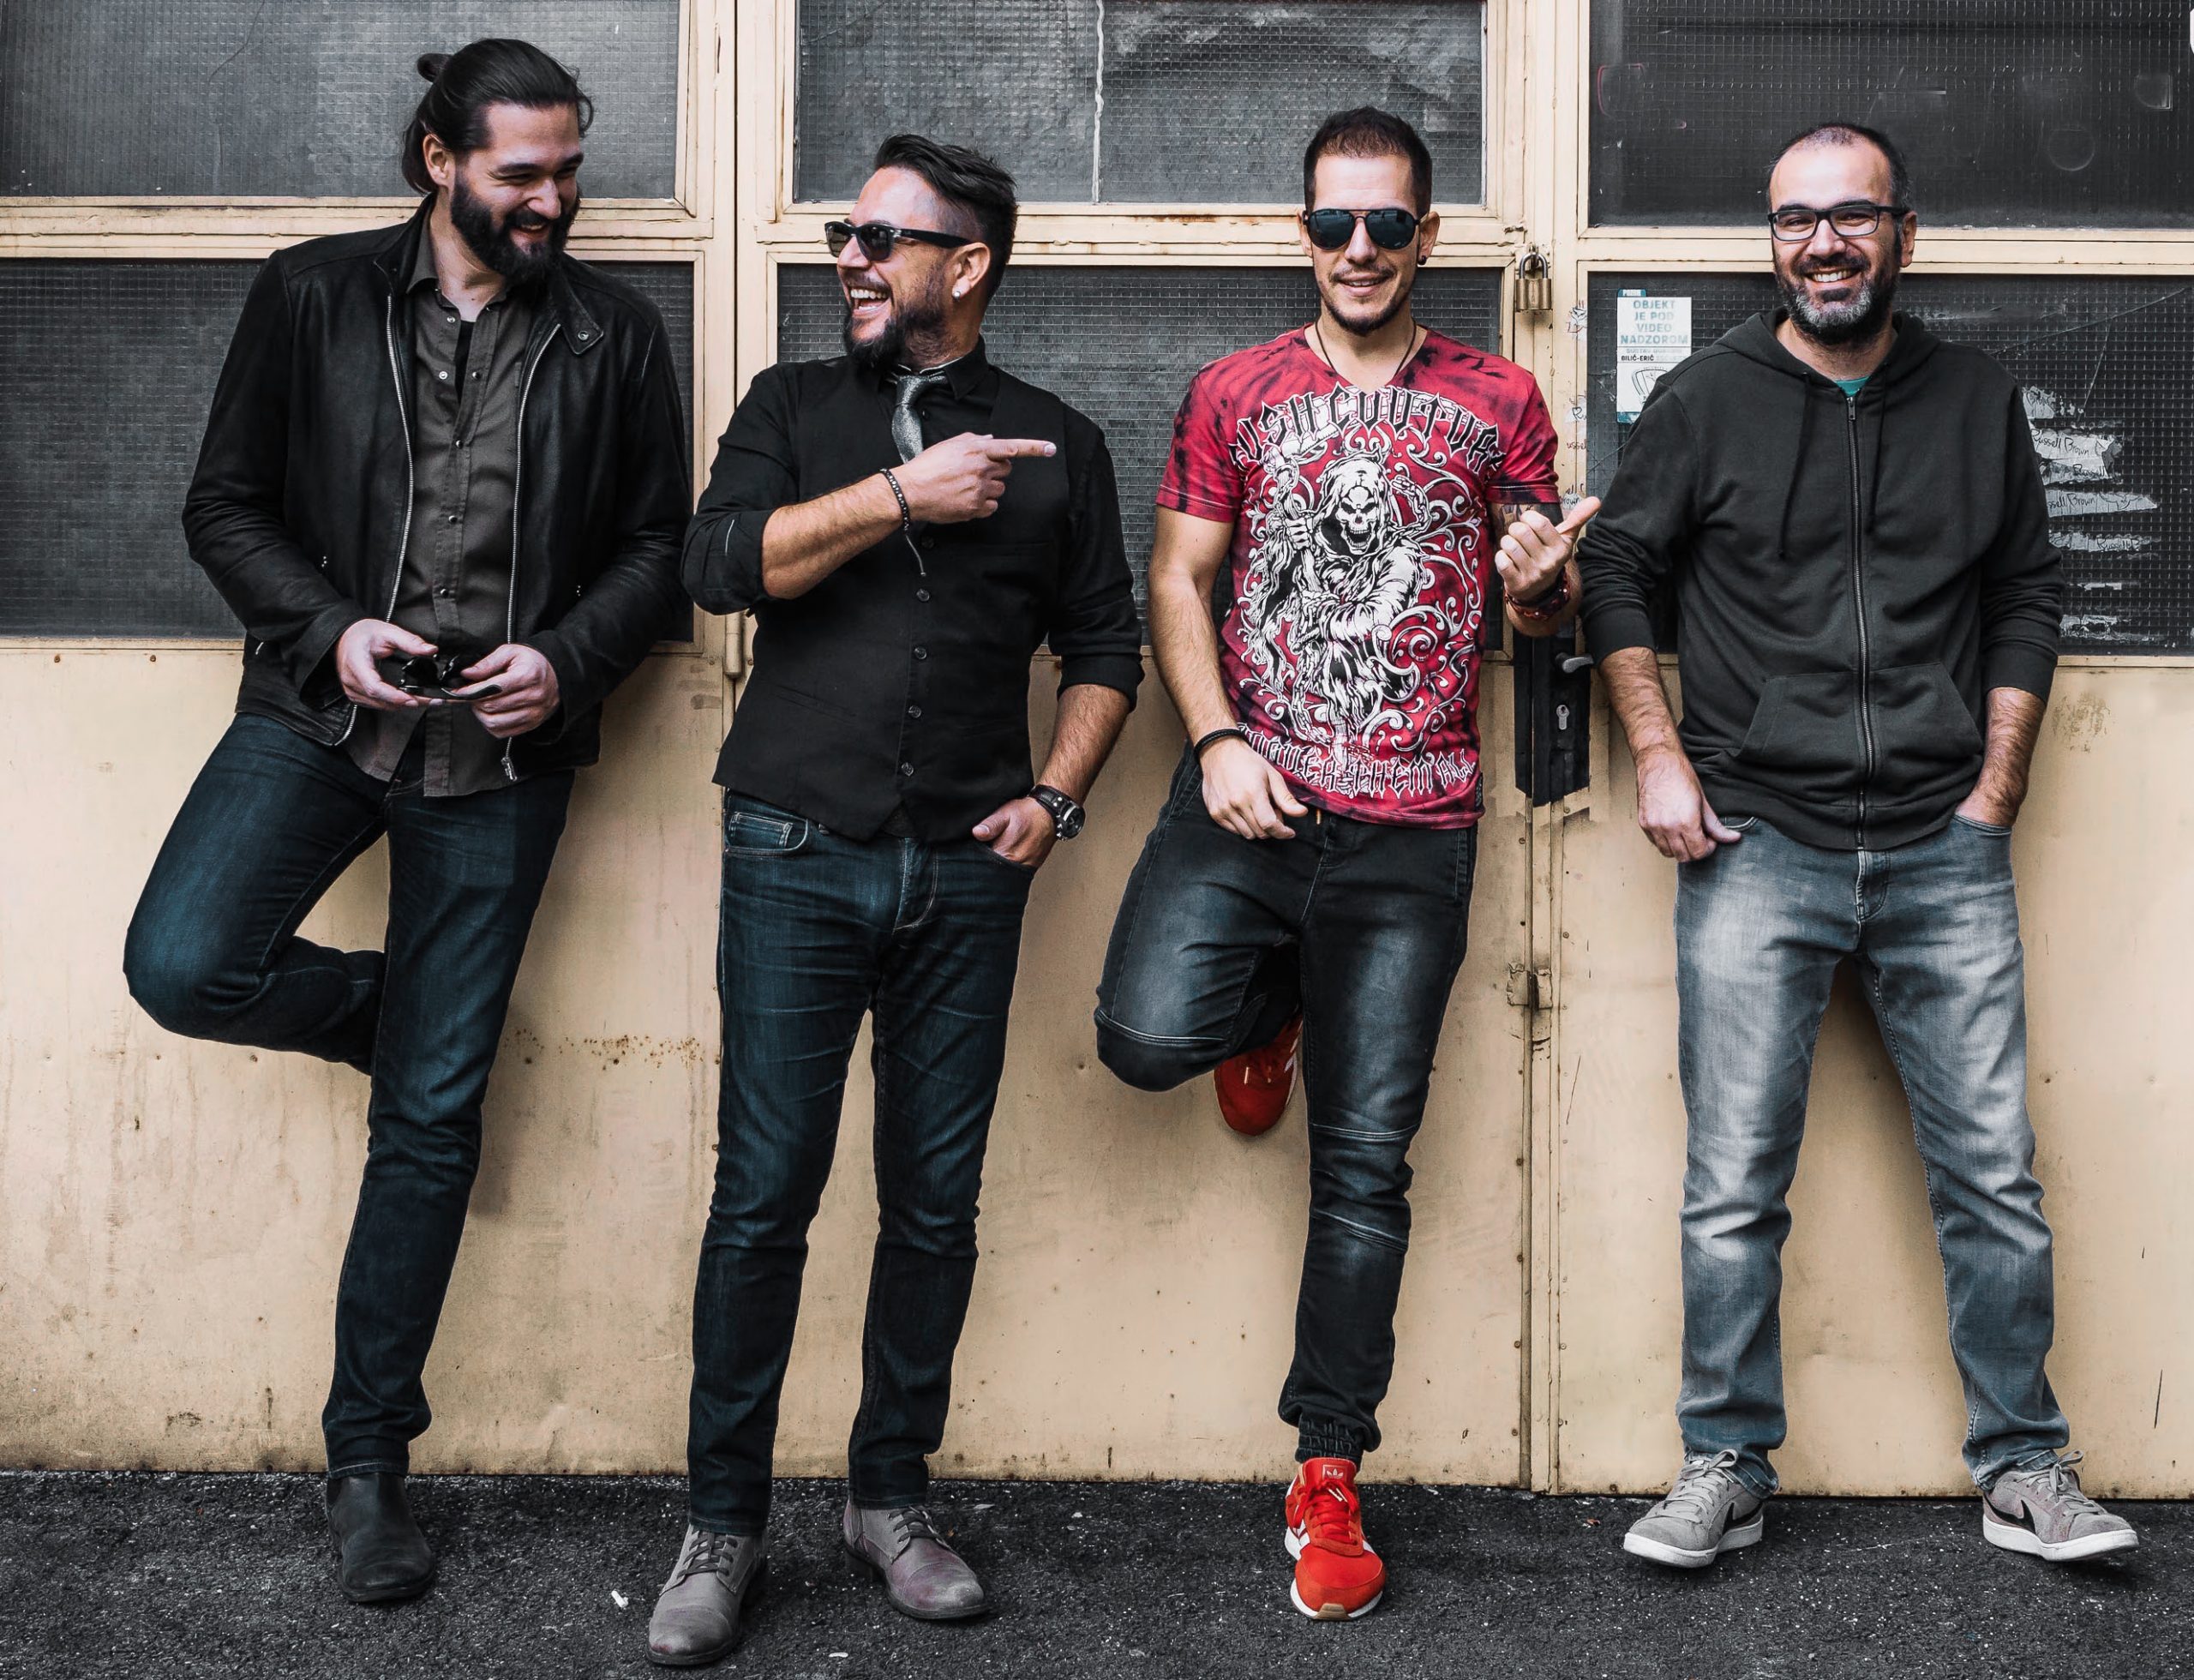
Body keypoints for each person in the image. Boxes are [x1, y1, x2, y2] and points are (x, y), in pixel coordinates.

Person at [123, 39, 691, 1603]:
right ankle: (402, 1020)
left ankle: (368, 1463)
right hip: (317, 723)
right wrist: (329, 630)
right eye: (523, 172)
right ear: (439, 160)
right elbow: (222, 506)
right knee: (183, 962)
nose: (555, 199)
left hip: (501, 763)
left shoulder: (616, 333)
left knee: (429, 1124)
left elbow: (659, 546)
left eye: (569, 171)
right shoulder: (312, 295)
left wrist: (566, 661)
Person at [1580, 121, 2137, 1569]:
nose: (1823, 243)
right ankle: (1724, 1462)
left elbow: (2025, 590)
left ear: (1903, 233)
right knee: (1732, 1187)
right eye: (1795, 220)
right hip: (1758, 842)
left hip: (1944, 848)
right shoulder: (1704, 400)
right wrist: (1658, 755)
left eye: (1852, 216)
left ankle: (2024, 1465)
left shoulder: (1974, 399)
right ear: (1772, 243)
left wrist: (1996, 785)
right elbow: (1618, 570)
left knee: (1994, 1176)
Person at [1093, 107, 1592, 1622]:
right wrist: (1213, 740)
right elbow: (1177, 577)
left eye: (1385, 225)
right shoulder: (1234, 391)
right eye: (1332, 224)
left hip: (1414, 836)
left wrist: (1544, 594)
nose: (1358, 249)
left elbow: (1535, 611)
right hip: (1248, 802)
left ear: (1427, 237)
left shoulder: (1501, 400)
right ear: (1302, 233)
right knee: (1141, 1037)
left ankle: (1326, 1470)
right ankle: (1270, 1009)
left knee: (1366, 1165)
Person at [650, 135, 1142, 1665]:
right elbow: (718, 565)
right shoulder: (793, 409)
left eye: (881, 239)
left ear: (966, 265)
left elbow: (1106, 649)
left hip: (968, 878)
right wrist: (897, 494)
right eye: (845, 237)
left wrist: (1056, 799)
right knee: (763, 1196)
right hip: (793, 852)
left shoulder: (1059, 444)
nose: (850, 260)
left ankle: (890, 1500)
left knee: (935, 1202)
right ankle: (721, 1525)